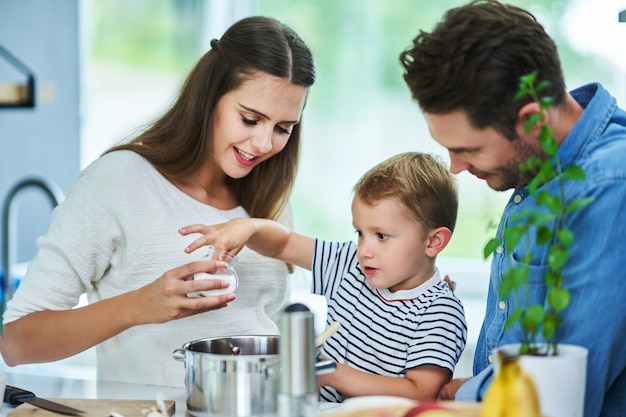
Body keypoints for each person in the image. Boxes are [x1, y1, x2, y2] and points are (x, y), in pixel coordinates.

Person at [0, 16, 315, 387]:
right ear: (209, 99)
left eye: (282, 129)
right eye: (250, 119)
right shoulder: (118, 181)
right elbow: (16, 343)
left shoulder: (268, 198)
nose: (264, 145)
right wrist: (142, 304)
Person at [399, 1, 626, 415]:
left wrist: (458, 397)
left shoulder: (609, 187)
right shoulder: (542, 170)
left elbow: (561, 390)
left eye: (468, 149)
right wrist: (471, 390)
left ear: (533, 120)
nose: (455, 167)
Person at [179, 151, 468, 402]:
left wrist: (329, 372)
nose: (364, 249)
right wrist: (250, 228)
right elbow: (285, 243)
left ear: (433, 242)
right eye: (360, 232)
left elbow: (422, 394)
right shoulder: (349, 264)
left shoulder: (440, 312)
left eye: (381, 236)